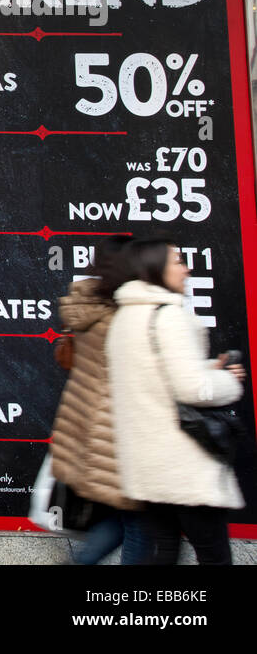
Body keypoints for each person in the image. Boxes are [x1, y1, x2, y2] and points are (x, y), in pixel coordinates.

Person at [106, 237, 248, 564]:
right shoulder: (169, 316)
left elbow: (150, 381)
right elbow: (193, 390)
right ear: (156, 267)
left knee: (162, 551)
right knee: (213, 554)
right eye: (178, 261)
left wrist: (204, 367)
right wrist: (227, 380)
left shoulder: (123, 320)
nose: (186, 269)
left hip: (146, 465)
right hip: (182, 463)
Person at [50, 235, 147, 564]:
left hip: (88, 425)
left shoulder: (89, 303)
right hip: (117, 433)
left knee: (123, 522)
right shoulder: (124, 313)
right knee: (137, 526)